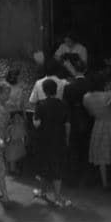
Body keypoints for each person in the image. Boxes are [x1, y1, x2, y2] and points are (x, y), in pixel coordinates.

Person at [32, 78, 72, 207]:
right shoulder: (63, 104)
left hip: (44, 140)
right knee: (57, 168)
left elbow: (37, 124)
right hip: (59, 140)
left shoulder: (40, 104)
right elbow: (67, 124)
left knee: (43, 165)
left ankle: (42, 192)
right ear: (56, 90)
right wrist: (67, 139)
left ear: (44, 91)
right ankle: (58, 197)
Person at [82, 71, 111, 191]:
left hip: (98, 124)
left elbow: (90, 113)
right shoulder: (108, 95)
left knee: (101, 155)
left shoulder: (86, 97)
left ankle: (104, 183)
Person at [63, 56, 91, 184]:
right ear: (85, 70)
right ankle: (86, 177)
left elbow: (66, 105)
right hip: (87, 116)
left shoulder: (69, 86)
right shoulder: (89, 85)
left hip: (73, 117)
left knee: (73, 148)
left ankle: (72, 177)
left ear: (75, 69)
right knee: (85, 148)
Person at [4, 69, 28, 174]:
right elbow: (21, 105)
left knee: (6, 140)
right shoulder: (19, 90)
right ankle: (12, 167)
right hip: (15, 117)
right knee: (14, 142)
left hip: (4, 116)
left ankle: (7, 166)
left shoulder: (3, 88)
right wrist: (25, 117)